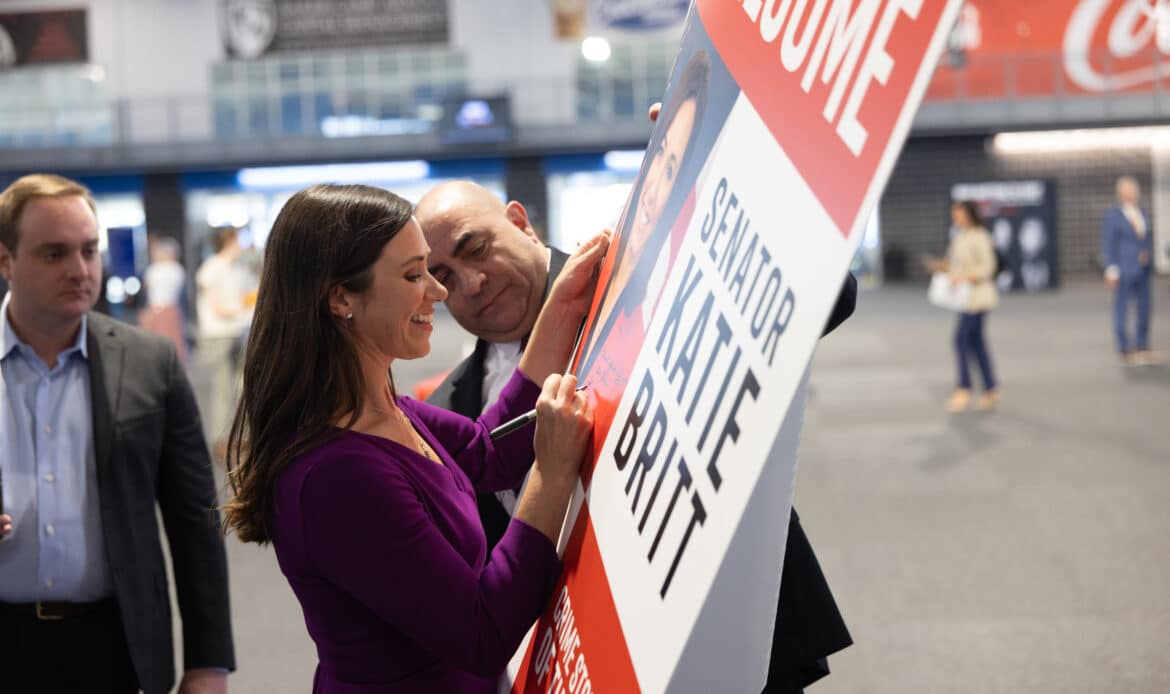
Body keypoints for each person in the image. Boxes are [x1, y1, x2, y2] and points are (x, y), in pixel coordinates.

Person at [417, 180, 856, 693]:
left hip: (724, 622)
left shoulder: (634, 273)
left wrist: (740, 186)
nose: (471, 283)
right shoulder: (447, 408)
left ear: (519, 222)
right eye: (442, 276)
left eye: (476, 247)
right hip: (587, 663)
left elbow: (826, 293)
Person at [221, 184, 608, 693]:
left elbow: (487, 450)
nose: (440, 293)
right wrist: (552, 473)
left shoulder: (385, 407)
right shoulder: (337, 474)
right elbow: (483, 632)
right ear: (341, 298)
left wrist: (562, 305)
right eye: (414, 275)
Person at [0, 173, 235, 694]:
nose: (80, 270)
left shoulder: (151, 363)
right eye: (54, 254)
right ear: (4, 260)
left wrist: (209, 663)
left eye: (89, 250)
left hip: (115, 645)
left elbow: (195, 524)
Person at [579, 49, 710, 378]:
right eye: (659, 153)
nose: (652, 192)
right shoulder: (587, 285)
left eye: (672, 171)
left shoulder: (658, 315)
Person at [926, 200, 1000, 412]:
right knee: (976, 343)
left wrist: (964, 277)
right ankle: (990, 388)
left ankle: (964, 388)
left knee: (960, 340)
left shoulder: (980, 236)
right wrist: (941, 267)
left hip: (978, 298)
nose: (955, 218)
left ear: (968, 214)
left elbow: (988, 267)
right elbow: (955, 264)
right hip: (964, 299)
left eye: (958, 214)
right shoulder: (960, 236)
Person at [195, 225, 252, 455]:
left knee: (241, 387)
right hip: (218, 335)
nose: (241, 245)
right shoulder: (212, 267)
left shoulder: (237, 269)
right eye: (238, 240)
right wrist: (241, 308)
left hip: (237, 331)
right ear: (229, 241)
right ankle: (221, 439)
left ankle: (239, 436)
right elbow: (218, 307)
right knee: (222, 389)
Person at [1102, 176, 1159, 366]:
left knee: (1144, 307)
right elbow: (1108, 244)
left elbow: (1143, 239)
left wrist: (1147, 254)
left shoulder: (1142, 212)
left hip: (1143, 269)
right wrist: (1111, 270)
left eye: (1136, 189)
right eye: (1132, 190)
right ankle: (1124, 348)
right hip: (1124, 269)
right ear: (1122, 193)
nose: (1136, 193)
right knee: (1122, 308)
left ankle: (1142, 345)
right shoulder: (1113, 216)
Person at [140, 235, 189, 363]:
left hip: (158, 309)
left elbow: (147, 287)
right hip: (171, 310)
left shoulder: (156, 269)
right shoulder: (178, 269)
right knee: (173, 344)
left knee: (155, 345)